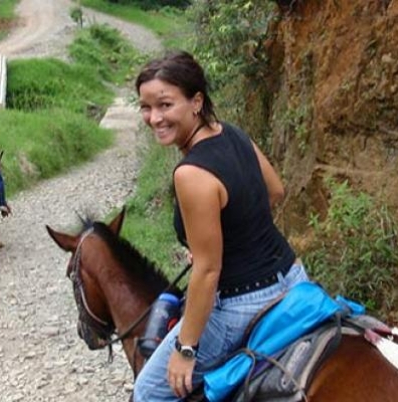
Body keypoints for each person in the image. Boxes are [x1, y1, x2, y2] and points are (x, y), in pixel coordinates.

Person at [132, 51, 310, 401]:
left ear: (196, 101)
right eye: (145, 107)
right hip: (292, 276)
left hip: (240, 304)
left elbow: (208, 270)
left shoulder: (190, 173)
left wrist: (185, 351)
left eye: (165, 105)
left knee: (149, 392)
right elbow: (275, 191)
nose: (154, 118)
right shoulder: (232, 133)